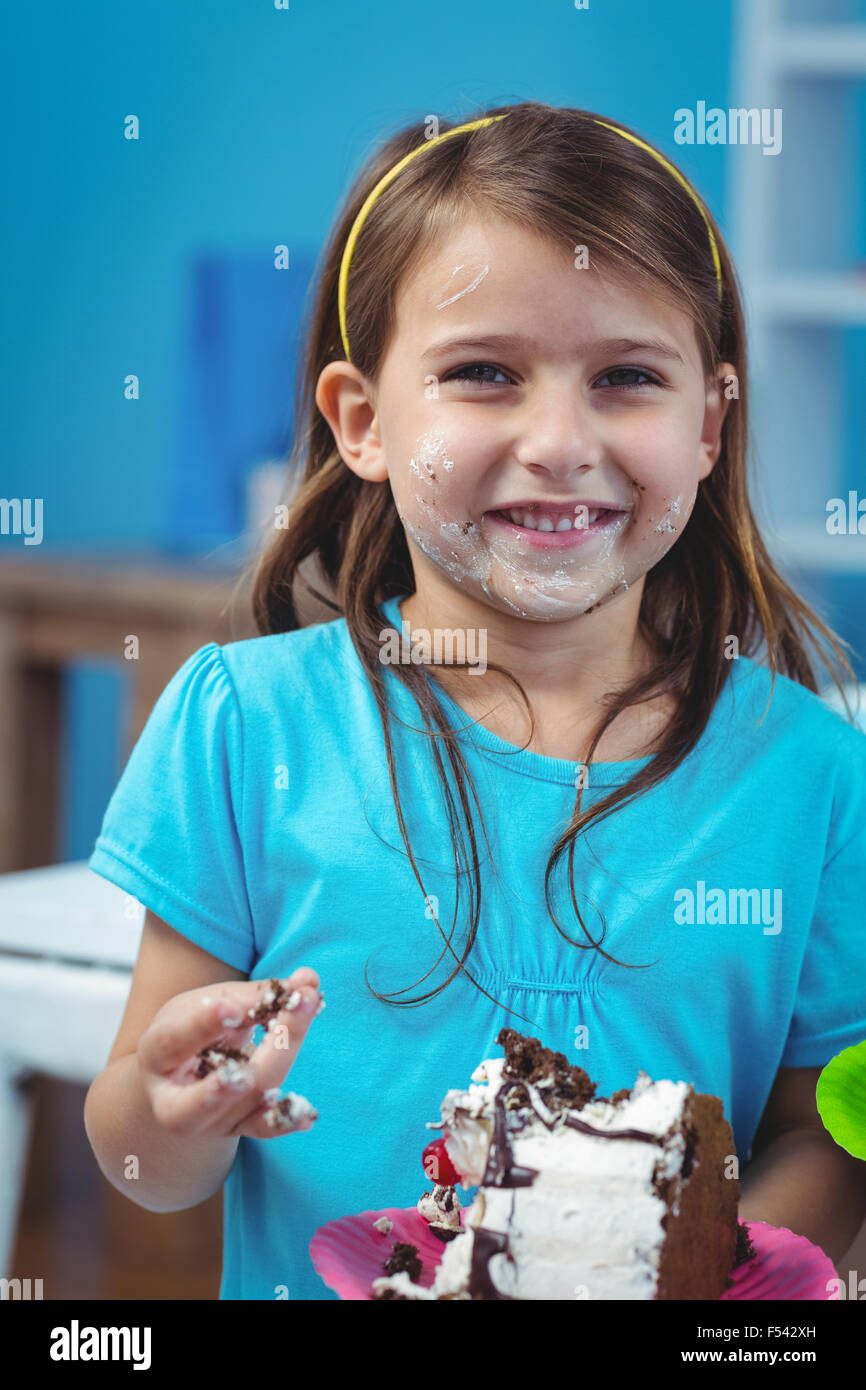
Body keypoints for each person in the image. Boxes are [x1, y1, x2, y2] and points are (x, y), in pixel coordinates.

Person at [84, 101, 866, 1301]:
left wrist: (681, 1286)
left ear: (707, 425)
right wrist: (177, 1110)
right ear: (363, 423)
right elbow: (144, 1165)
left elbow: (827, 1133)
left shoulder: (812, 774)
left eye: (625, 377)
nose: (557, 440)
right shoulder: (246, 723)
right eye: (483, 373)